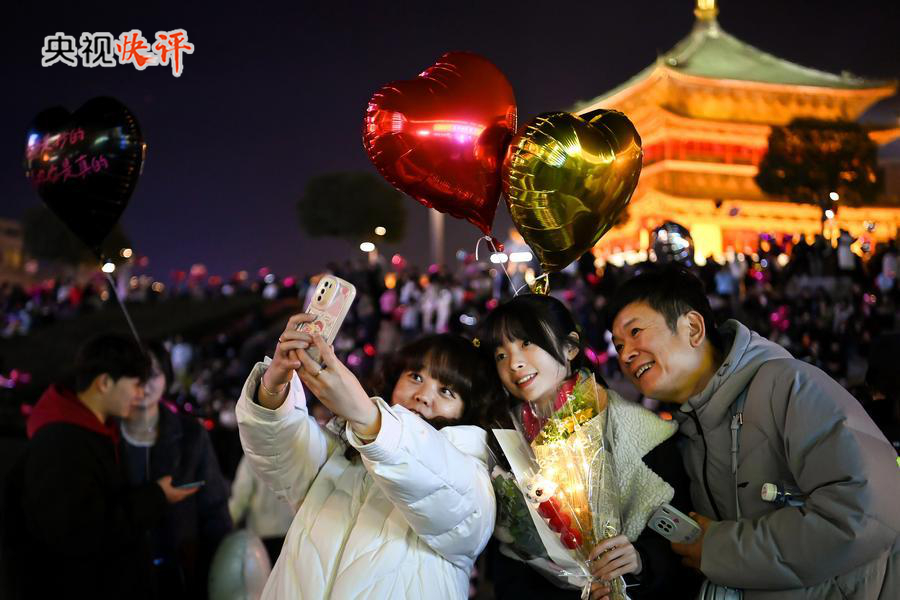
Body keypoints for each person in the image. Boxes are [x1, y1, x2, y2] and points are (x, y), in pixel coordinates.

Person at [608, 264, 900, 599]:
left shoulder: (788, 386)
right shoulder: (687, 434)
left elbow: (865, 513)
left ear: (692, 327)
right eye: (617, 345)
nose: (626, 354)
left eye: (635, 332)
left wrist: (717, 549)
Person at [235, 313, 496, 599]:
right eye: (415, 377)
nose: (423, 395)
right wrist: (273, 386)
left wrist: (368, 418)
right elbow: (280, 455)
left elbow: (446, 490)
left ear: (468, 410)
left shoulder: (472, 474)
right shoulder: (346, 446)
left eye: (446, 391)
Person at [478, 294, 698, 600]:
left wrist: (641, 561)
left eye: (527, 343)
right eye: (501, 355)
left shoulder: (645, 433)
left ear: (570, 347)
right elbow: (508, 566)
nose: (514, 363)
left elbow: (682, 543)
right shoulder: (503, 444)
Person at [1, 334, 198, 600]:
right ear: (104, 383)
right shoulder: (61, 446)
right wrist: (156, 496)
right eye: (136, 384)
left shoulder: (92, 429)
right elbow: (83, 534)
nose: (141, 394)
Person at [120, 341, 233, 598]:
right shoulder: (107, 436)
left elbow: (214, 508)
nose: (145, 384)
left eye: (154, 373)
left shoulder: (191, 435)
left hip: (183, 573)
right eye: (135, 375)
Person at [228, 454, 296, 563]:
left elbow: (242, 495)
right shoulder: (291, 452)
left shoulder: (251, 455)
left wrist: (227, 522)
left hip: (261, 536)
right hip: (289, 532)